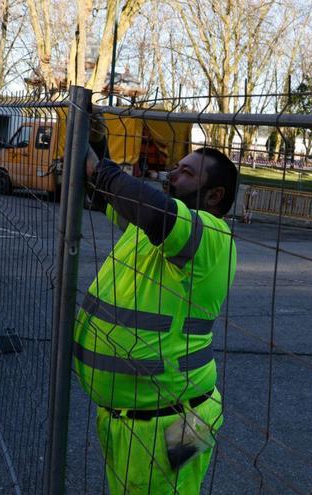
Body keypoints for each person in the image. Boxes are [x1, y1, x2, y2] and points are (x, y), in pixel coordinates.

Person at [73, 141, 239, 495]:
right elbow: (117, 198)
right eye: (176, 167)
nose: (171, 175)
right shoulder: (157, 232)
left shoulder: (211, 234)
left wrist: (99, 168)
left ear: (214, 196)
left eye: (187, 173)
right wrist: (89, 135)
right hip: (140, 416)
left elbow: (151, 210)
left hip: (176, 420)